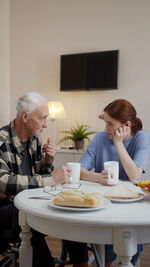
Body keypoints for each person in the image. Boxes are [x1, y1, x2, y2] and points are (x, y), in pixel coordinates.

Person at [0, 92, 88, 267]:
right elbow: (3, 183)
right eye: (42, 118)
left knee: (69, 208)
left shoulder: (35, 139)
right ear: (25, 116)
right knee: (28, 218)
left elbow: (40, 172)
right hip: (4, 206)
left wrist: (48, 160)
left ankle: (81, 264)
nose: (46, 124)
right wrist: (50, 180)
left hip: (29, 199)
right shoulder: (2, 140)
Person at [79, 98, 150, 267]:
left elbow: (134, 176)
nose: (106, 129)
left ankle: (122, 261)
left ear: (126, 125)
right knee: (109, 243)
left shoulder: (142, 137)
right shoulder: (100, 138)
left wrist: (118, 144)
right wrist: (98, 178)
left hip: (132, 206)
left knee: (131, 237)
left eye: (110, 124)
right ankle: (106, 261)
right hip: (105, 204)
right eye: (105, 123)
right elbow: (79, 170)